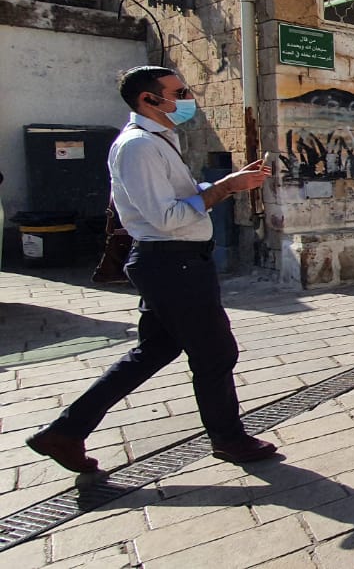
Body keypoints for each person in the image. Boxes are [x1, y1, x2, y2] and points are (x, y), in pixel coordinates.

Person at [26, 66, 277, 471]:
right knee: (214, 353)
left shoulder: (160, 140)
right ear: (149, 99)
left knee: (154, 350)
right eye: (178, 92)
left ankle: (66, 432)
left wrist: (228, 181)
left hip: (176, 260)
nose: (187, 98)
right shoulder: (138, 146)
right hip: (171, 261)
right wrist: (224, 189)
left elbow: (178, 196)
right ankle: (229, 439)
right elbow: (163, 216)